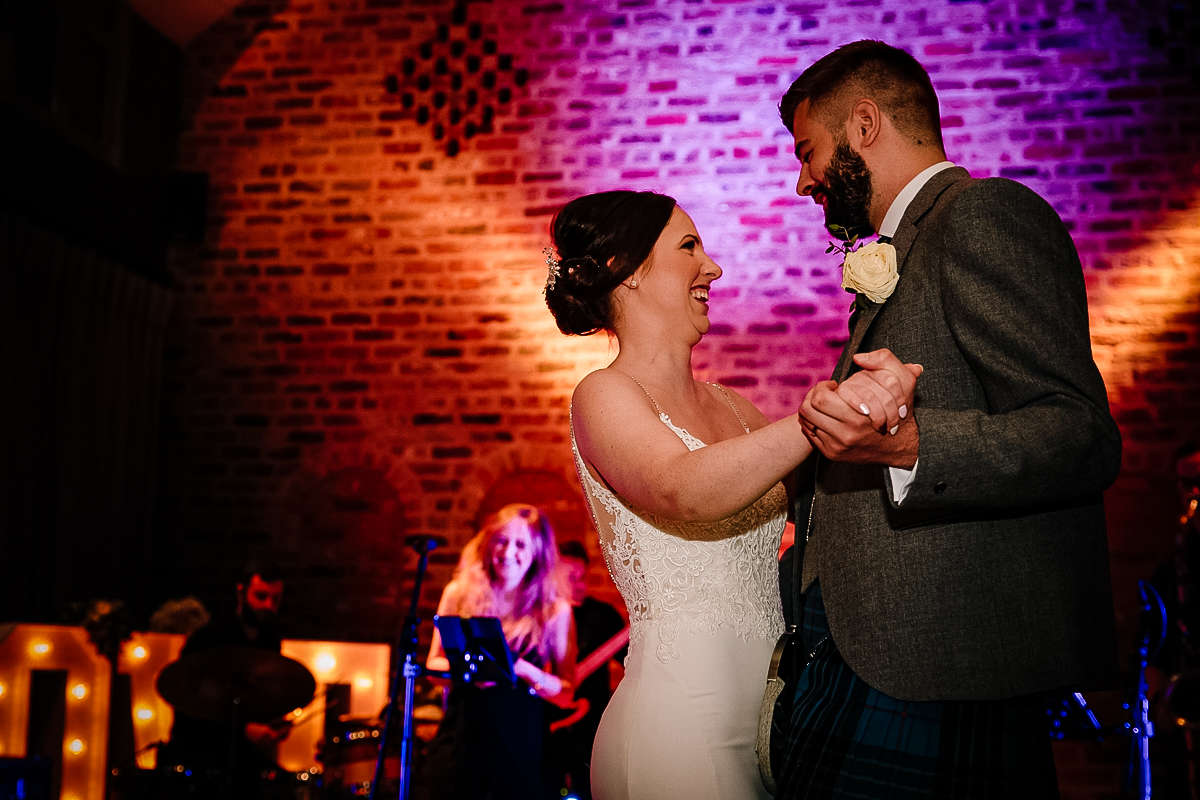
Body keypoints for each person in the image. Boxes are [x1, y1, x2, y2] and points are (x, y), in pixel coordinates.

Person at [777, 40, 1123, 797]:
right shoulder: (910, 242)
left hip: (940, 659)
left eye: (807, 151)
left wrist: (912, 444)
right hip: (875, 654)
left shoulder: (983, 214)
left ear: (864, 124)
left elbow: (1079, 434)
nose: (801, 179)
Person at [546, 190, 918, 800]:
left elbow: (827, 505)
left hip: (773, 728)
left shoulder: (735, 407)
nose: (713, 267)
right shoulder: (603, 395)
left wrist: (886, 411)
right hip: (677, 725)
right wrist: (817, 417)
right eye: (689, 247)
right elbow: (684, 489)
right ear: (629, 270)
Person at [415, 503, 577, 800]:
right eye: (501, 540)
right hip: (463, 739)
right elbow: (434, 666)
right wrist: (472, 671)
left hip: (522, 746)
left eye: (520, 544)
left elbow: (566, 692)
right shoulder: (459, 593)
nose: (507, 552)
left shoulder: (555, 610)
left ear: (538, 552)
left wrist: (525, 671)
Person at [163, 561, 292, 798]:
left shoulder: (270, 643)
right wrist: (243, 730)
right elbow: (191, 705)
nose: (269, 606)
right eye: (261, 596)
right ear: (240, 592)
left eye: (276, 599)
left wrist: (273, 725)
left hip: (244, 766)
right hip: (201, 760)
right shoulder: (209, 639)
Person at [550, 540, 627, 800]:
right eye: (571, 578)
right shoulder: (543, 617)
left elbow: (632, 665)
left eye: (583, 576)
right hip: (548, 728)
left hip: (591, 727)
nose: (581, 584)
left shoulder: (603, 616)